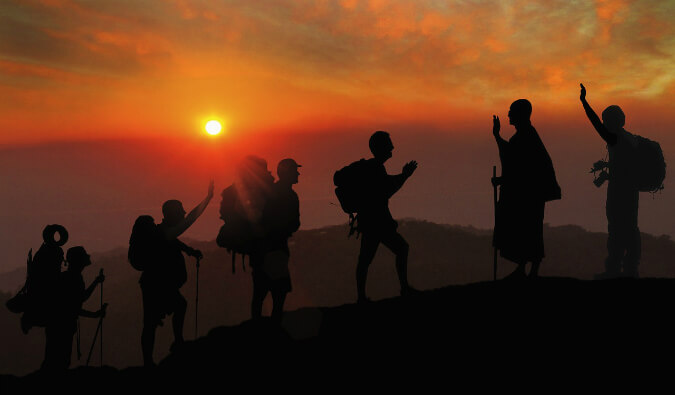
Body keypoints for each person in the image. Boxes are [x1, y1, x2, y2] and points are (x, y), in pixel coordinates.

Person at [140, 181, 213, 367]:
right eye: (180, 210)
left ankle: (152, 358)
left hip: (153, 283)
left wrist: (190, 251)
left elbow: (175, 242)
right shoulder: (166, 232)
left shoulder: (163, 231)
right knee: (157, 319)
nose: (183, 213)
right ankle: (163, 351)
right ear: (172, 213)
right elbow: (190, 220)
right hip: (157, 284)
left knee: (154, 320)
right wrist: (208, 198)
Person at [492, 99, 561, 279]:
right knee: (524, 229)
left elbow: (521, 168)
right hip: (527, 194)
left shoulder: (526, 136)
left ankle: (531, 270)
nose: (508, 115)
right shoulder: (524, 136)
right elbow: (513, 160)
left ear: (520, 114)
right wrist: (497, 136)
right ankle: (523, 267)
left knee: (530, 229)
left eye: (511, 111)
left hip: (529, 195)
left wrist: (501, 179)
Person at [579, 83, 640, 279]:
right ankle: (630, 269)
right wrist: (606, 168)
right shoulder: (628, 138)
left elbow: (595, 123)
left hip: (620, 192)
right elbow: (625, 167)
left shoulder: (615, 138)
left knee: (617, 229)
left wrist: (584, 102)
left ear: (613, 122)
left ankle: (615, 268)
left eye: (606, 120)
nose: (604, 124)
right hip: (630, 192)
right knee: (629, 228)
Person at [356, 131, 419, 303]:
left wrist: (404, 175)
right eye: (389, 143)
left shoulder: (374, 167)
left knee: (365, 259)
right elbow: (386, 190)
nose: (392, 147)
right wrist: (405, 175)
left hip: (371, 222)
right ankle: (403, 289)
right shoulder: (375, 168)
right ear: (381, 147)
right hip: (377, 223)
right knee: (400, 249)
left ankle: (361, 297)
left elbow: (385, 185)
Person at [252, 158, 301, 324]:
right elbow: (294, 223)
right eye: (295, 171)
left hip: (262, 248)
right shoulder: (289, 195)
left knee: (261, 291)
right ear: (288, 173)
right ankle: (274, 326)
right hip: (276, 247)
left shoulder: (270, 191)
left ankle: (258, 326)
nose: (298, 174)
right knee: (278, 291)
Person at [42, 246, 106, 371]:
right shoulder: (74, 279)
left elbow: (78, 301)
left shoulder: (68, 277)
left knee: (52, 360)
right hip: (62, 326)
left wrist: (96, 282)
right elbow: (75, 306)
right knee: (60, 361)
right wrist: (94, 314)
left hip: (55, 325)